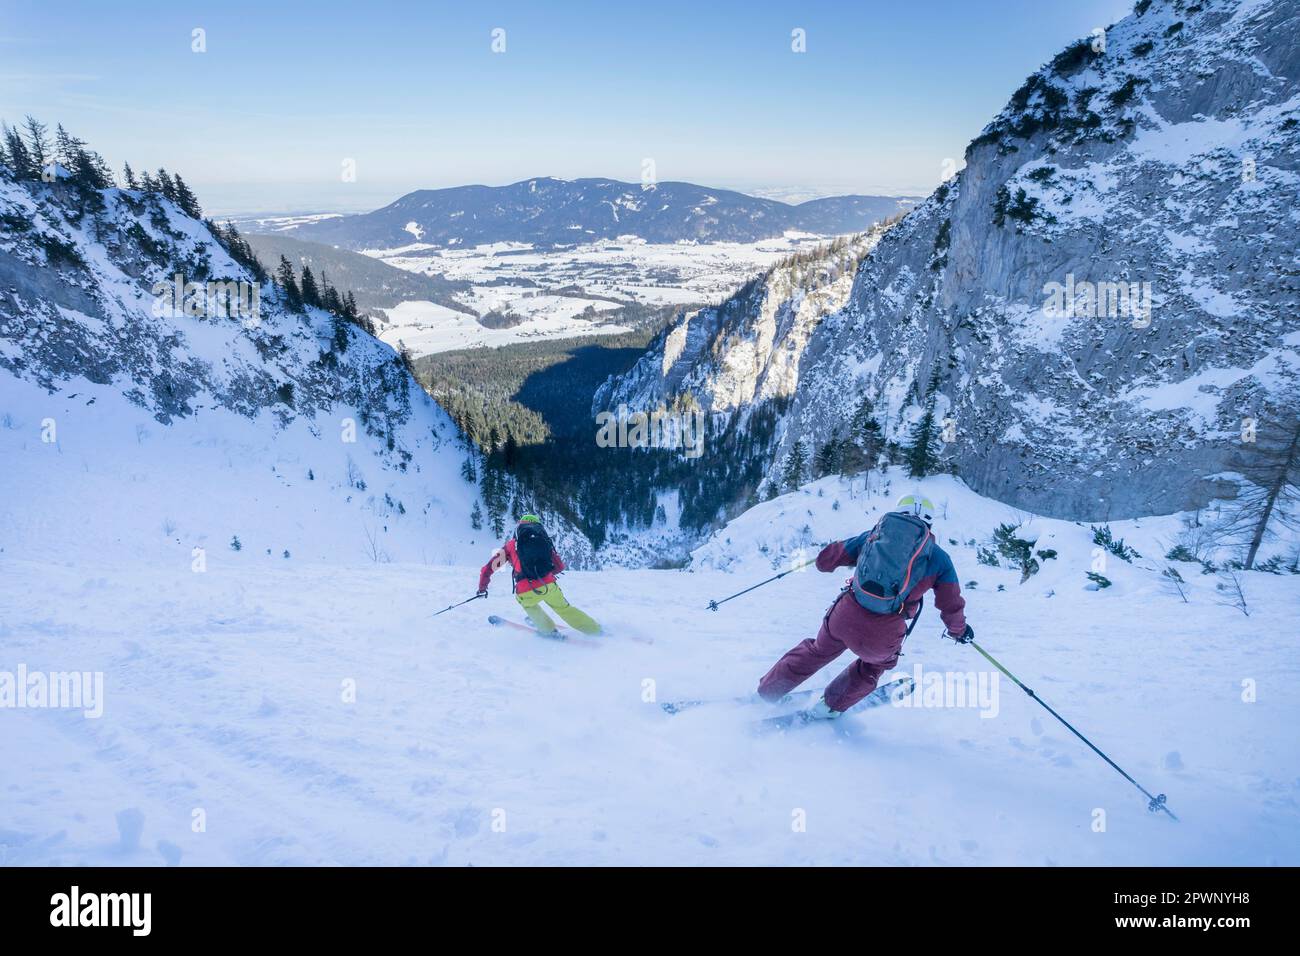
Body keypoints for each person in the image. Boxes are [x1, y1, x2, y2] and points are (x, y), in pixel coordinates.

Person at [757, 493, 973, 719]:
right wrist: (958, 632)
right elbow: (951, 605)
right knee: (872, 666)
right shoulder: (940, 559)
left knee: (817, 650)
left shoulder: (874, 536)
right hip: (884, 633)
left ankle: (768, 691)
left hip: (844, 615)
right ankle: (829, 707)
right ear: (929, 523)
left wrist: (825, 556)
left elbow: (826, 561)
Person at [477, 514, 602, 636]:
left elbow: (488, 569)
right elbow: (559, 567)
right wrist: (544, 574)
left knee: (529, 605)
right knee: (564, 609)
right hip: (549, 586)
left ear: (519, 527)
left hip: (525, 590)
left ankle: (548, 630)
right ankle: (594, 629)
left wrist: (482, 588)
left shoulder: (511, 545)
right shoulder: (544, 541)